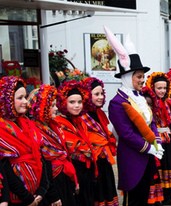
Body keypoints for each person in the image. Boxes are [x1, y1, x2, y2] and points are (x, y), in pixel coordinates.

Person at [105, 26, 164, 205]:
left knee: (144, 196)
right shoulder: (116, 102)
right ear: (127, 76)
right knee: (135, 200)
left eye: (143, 76)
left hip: (147, 156)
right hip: (133, 157)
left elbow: (151, 121)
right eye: (139, 76)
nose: (142, 80)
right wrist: (149, 147)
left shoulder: (140, 97)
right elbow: (126, 134)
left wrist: (158, 141)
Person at [0, 76, 48, 206]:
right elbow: (5, 170)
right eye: (19, 98)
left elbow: (40, 157)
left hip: (38, 197)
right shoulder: (1, 129)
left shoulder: (28, 123)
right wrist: (27, 198)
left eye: (25, 97)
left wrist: (42, 190)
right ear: (7, 101)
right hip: (17, 199)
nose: (26, 102)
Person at [28, 85, 77, 206]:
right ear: (42, 108)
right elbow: (45, 166)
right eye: (52, 105)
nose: (56, 108)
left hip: (62, 179)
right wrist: (53, 195)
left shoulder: (54, 126)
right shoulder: (35, 131)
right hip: (51, 185)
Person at [143, 72, 171, 205]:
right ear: (153, 88)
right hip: (158, 138)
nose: (162, 91)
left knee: (170, 165)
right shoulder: (150, 103)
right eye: (159, 88)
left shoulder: (167, 101)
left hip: (168, 137)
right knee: (161, 168)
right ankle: (162, 197)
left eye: (164, 88)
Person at [55, 80, 94, 206]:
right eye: (72, 102)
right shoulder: (59, 123)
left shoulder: (81, 122)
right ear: (63, 103)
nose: (77, 105)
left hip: (86, 171)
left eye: (79, 102)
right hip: (71, 172)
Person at [81, 77, 119, 206]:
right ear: (87, 95)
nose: (100, 97)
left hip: (104, 160)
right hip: (93, 162)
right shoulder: (82, 116)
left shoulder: (100, 113)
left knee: (107, 188)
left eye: (102, 93)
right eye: (96, 94)